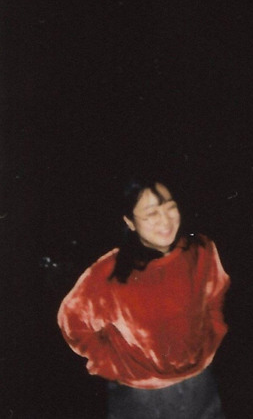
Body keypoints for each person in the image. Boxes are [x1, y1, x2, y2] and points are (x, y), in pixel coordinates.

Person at [57, 176, 230, 419]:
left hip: (201, 384)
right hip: (141, 397)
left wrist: (212, 333)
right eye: (151, 214)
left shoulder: (201, 250)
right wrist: (114, 365)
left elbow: (215, 294)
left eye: (169, 207)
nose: (165, 220)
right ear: (130, 222)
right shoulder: (107, 274)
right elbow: (73, 323)